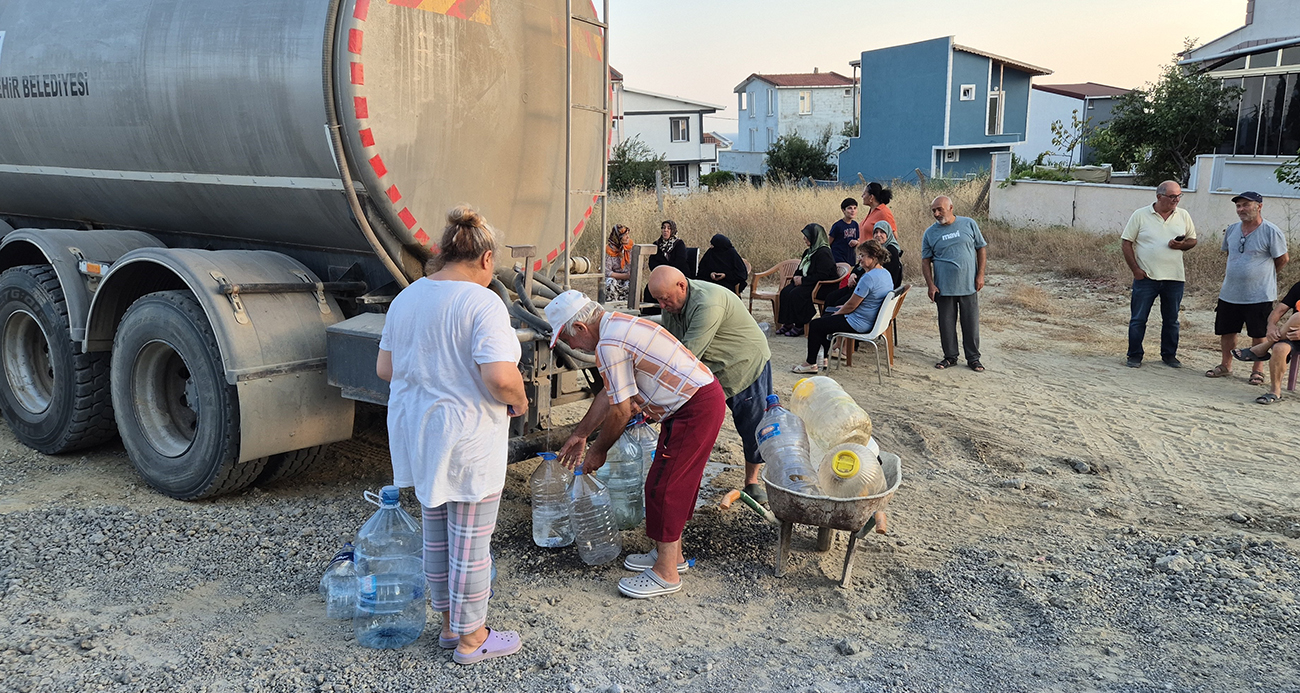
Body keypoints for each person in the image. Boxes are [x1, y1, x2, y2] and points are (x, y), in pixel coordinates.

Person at [375, 206, 528, 665]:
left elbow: (385, 368)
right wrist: (519, 399)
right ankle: (472, 638)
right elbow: (499, 376)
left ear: (443, 252)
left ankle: (448, 625)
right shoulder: (482, 302)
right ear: (486, 259)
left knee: (438, 537)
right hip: (467, 438)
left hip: (420, 435)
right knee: (471, 546)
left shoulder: (407, 298)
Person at [549, 291, 725, 599]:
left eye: (568, 339)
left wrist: (598, 451)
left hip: (693, 407)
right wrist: (581, 433)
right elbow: (610, 392)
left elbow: (621, 410)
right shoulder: (618, 325)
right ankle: (672, 556)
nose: (572, 347)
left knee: (665, 487)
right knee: (669, 482)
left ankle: (666, 574)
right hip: (694, 401)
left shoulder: (609, 344)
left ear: (579, 328)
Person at [649, 265, 773, 503]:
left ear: (682, 286)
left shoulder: (708, 303)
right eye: (658, 300)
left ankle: (752, 482)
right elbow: (671, 347)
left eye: (664, 299)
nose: (662, 306)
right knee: (694, 419)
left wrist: (653, 394)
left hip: (744, 362)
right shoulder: (671, 305)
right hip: (710, 364)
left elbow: (685, 359)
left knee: (751, 424)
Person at [1207, 191, 1288, 383]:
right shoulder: (1232, 230)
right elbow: (1230, 255)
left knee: (1258, 333)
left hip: (1259, 294)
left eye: (1246, 205)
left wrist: (1264, 275)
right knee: (1227, 331)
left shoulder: (1271, 231)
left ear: (1259, 206)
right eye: (1238, 206)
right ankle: (1226, 365)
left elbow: (1283, 259)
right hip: (1230, 292)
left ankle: (1257, 370)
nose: (1241, 209)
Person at [1121, 180, 1198, 369]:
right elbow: (1126, 243)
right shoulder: (1140, 215)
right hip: (1146, 278)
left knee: (1171, 321)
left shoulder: (1183, 215)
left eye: (1179, 196)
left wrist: (1181, 245)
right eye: (1172, 196)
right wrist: (1136, 270)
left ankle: (1169, 355)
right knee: (1138, 319)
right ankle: (1135, 355)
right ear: (1159, 196)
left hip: (1174, 278)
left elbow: (1193, 240)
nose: (1176, 200)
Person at [794, 240, 894, 374]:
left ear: (874, 257)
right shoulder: (885, 273)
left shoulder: (868, 278)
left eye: (863, 256)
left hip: (859, 323)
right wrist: (840, 310)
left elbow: (852, 305)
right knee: (827, 315)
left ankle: (810, 363)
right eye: (859, 255)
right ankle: (824, 358)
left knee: (815, 324)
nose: (859, 259)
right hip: (871, 320)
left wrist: (839, 312)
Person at [922, 196, 987, 372]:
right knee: (946, 325)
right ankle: (950, 357)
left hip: (968, 285)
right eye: (933, 210)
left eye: (939, 209)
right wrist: (930, 285)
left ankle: (973, 358)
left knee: (970, 324)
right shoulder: (930, 233)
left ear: (951, 208)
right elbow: (925, 261)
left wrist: (980, 275)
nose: (936, 213)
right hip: (943, 288)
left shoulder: (968, 224)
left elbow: (981, 248)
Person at [1232, 279, 1300, 404]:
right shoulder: (1299, 287)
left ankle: (1263, 348)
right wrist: (1271, 325)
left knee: (1297, 316)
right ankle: (1275, 392)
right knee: (1279, 348)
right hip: (1292, 335)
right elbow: (1279, 310)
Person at [822, 220, 903, 308]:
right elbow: (859, 264)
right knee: (831, 297)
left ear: (888, 234)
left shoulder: (891, 251)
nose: (878, 235)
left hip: (872, 292)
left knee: (837, 302)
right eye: (876, 232)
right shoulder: (874, 247)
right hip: (858, 285)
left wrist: (859, 279)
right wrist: (853, 274)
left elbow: (886, 277)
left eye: (882, 232)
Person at [775, 223, 837, 337]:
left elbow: (823, 275)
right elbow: (800, 268)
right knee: (786, 292)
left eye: (807, 236)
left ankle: (800, 325)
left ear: (815, 237)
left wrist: (803, 281)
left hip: (823, 286)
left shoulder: (824, 253)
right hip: (810, 282)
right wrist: (796, 277)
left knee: (797, 294)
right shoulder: (808, 252)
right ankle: (788, 323)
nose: (804, 239)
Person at [855, 182, 897, 249]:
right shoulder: (872, 211)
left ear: (871, 197)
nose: (862, 196)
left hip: (874, 253)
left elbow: (893, 236)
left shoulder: (883, 212)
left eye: (864, 194)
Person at [604, 224, 633, 302]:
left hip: (628, 278)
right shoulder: (609, 250)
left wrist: (631, 274)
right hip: (615, 278)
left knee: (631, 284)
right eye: (625, 235)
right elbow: (607, 272)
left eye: (628, 234)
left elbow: (638, 266)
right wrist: (625, 276)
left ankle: (629, 307)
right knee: (610, 283)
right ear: (618, 237)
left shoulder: (631, 248)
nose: (628, 237)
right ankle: (611, 306)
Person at [828, 197, 860, 265]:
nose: (853, 211)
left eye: (855, 208)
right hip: (838, 258)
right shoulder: (837, 225)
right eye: (849, 208)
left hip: (850, 258)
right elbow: (829, 242)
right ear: (843, 210)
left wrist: (856, 242)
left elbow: (858, 239)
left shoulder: (855, 224)